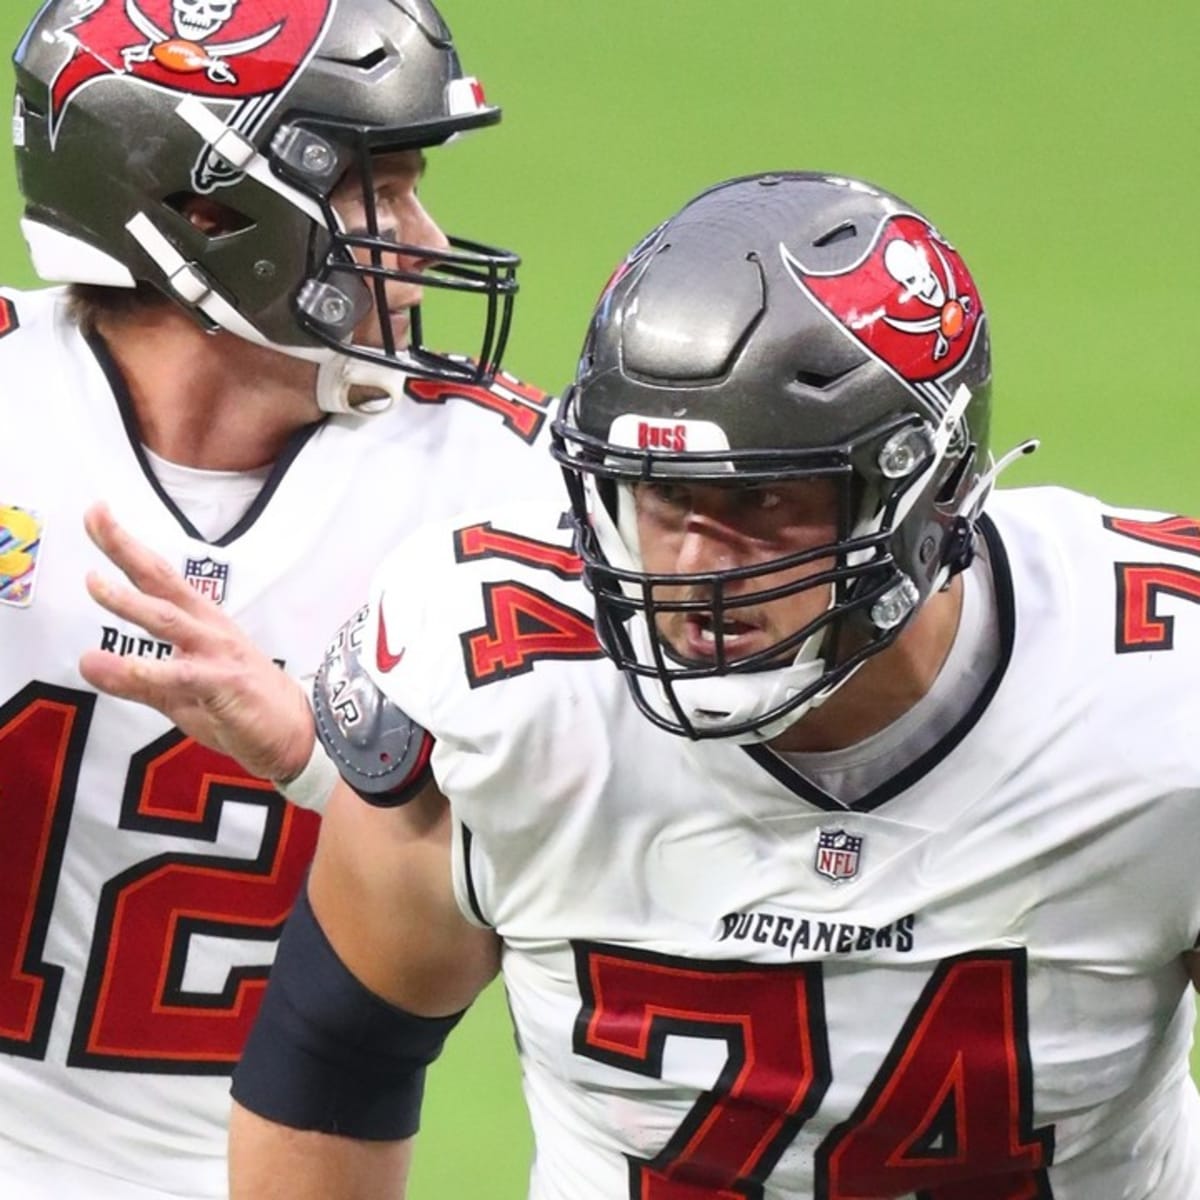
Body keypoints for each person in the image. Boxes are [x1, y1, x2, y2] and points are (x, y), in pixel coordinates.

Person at [84, 172, 1200, 1198]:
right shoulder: (504, 687)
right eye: (662, 499)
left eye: (763, 505)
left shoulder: (1155, 695)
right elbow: (336, 1051)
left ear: (926, 495)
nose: (693, 572)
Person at [0, 0, 562, 1195]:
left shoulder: (511, 486)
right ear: (207, 211)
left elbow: (627, 884)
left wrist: (327, 756)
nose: (425, 234)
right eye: (382, 188)